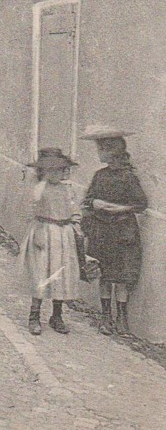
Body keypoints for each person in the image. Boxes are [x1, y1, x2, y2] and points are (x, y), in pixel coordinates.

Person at [80, 126, 148, 336]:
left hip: (122, 232)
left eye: (102, 150)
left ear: (112, 151)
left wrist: (119, 208)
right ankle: (105, 317)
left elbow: (140, 204)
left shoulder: (129, 177)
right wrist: (96, 203)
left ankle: (122, 318)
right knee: (105, 275)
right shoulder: (99, 175)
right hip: (101, 231)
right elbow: (88, 200)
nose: (99, 154)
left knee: (122, 277)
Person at [20, 147, 82, 336]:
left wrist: (76, 222)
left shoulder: (67, 189)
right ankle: (34, 316)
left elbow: (74, 208)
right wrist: (38, 231)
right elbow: (32, 212)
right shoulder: (39, 189)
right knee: (42, 274)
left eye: (59, 170)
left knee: (60, 274)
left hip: (63, 236)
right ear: (43, 171)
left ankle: (57, 315)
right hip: (45, 233)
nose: (55, 174)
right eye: (51, 170)